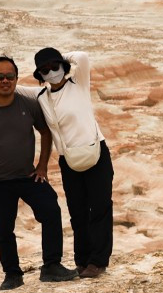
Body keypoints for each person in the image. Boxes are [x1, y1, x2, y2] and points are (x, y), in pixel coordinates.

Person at [0, 53, 76, 289]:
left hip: (27, 176)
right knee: (4, 230)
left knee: (51, 211)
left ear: (15, 78)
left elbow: (46, 133)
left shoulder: (29, 105)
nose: (5, 81)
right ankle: (12, 274)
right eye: (0, 77)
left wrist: (42, 166)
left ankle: (51, 266)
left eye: (10, 76)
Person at [30, 45, 113, 278]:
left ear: (63, 66)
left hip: (95, 152)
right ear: (40, 76)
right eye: (44, 70)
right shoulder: (41, 97)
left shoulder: (79, 83)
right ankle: (83, 260)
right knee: (77, 212)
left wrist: (58, 56)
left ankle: (98, 261)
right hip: (69, 160)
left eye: (54, 67)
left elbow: (82, 56)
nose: (51, 72)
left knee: (100, 207)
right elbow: (7, 87)